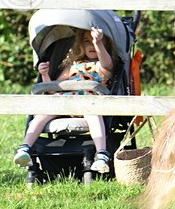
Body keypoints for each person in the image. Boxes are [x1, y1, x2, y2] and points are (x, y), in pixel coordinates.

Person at [14, 26, 114, 173]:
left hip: (89, 102)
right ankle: (25, 148)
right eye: (87, 41)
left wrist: (97, 42)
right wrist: (45, 75)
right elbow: (53, 89)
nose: (91, 45)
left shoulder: (104, 66)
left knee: (94, 115)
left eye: (94, 41)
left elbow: (106, 63)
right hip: (66, 101)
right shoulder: (73, 66)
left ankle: (101, 155)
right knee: (42, 114)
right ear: (81, 44)